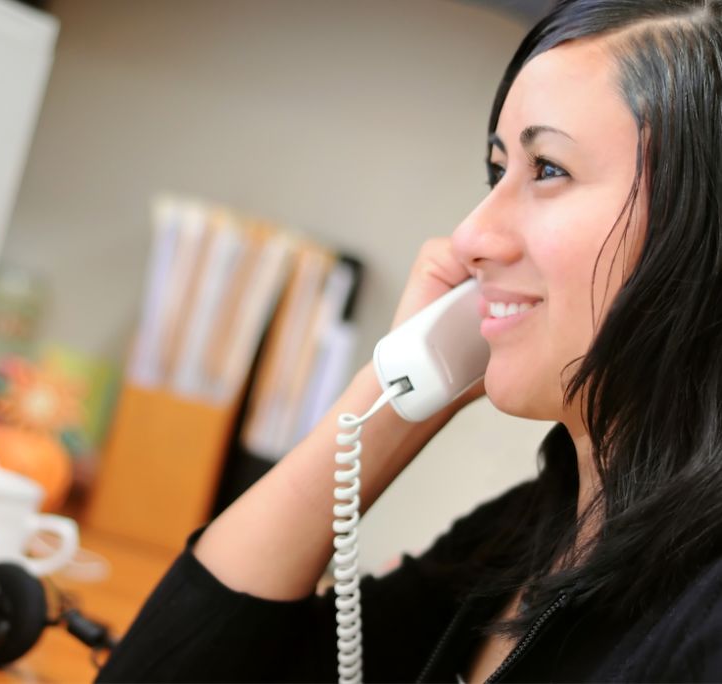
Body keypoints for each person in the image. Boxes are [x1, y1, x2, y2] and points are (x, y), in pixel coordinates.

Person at [96, 0, 722, 681]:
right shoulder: (528, 532)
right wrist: (398, 389)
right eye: (496, 171)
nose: (470, 237)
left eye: (546, 168)